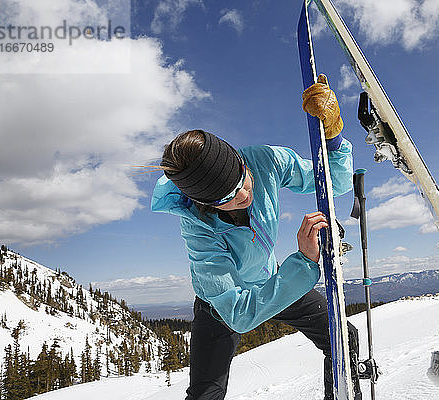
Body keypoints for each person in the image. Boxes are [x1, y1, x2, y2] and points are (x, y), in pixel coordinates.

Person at [151, 75, 361, 400]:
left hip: (272, 282)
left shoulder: (263, 162)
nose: (244, 193)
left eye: (243, 180)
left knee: (342, 339)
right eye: (229, 196)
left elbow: (332, 181)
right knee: (205, 395)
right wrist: (304, 262)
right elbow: (239, 315)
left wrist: (332, 136)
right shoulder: (198, 230)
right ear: (207, 203)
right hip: (222, 307)